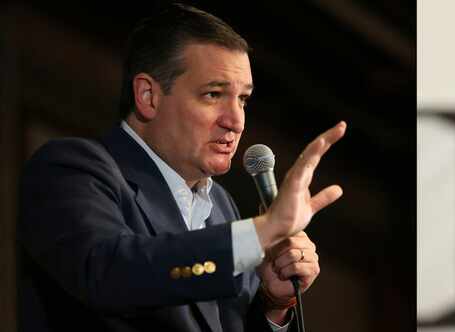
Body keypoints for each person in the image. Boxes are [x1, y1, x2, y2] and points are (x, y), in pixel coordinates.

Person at [17, 4, 345, 331]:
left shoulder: (220, 207)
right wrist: (264, 230)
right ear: (148, 96)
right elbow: (109, 272)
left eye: (243, 99)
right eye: (214, 94)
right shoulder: (71, 169)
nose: (236, 121)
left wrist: (274, 305)